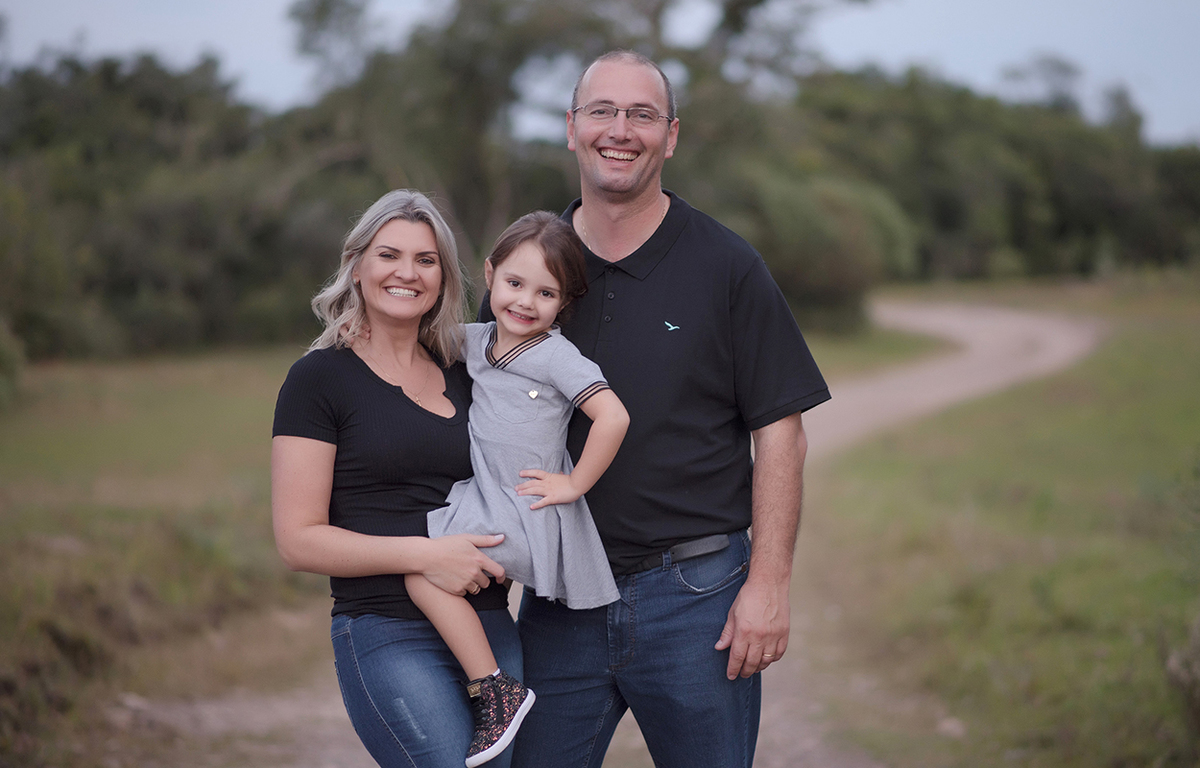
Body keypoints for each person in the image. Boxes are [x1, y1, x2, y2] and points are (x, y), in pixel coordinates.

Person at [495, 51, 832, 767]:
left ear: (670, 136)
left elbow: (782, 436)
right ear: (571, 128)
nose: (621, 130)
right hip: (558, 600)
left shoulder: (727, 265)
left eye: (642, 115)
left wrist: (768, 585)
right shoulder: (532, 273)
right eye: (602, 112)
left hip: (697, 596)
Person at [271, 189, 522, 768]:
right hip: (386, 629)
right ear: (357, 267)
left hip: (486, 625)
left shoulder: (465, 372)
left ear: (443, 277)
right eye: (389, 255)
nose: (407, 273)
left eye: (426, 260)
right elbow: (298, 539)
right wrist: (427, 556)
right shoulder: (318, 379)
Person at [406, 211, 628, 767]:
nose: (526, 301)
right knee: (430, 565)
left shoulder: (556, 355)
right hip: (486, 502)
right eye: (514, 283)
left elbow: (614, 417)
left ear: (564, 302)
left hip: (523, 513)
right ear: (490, 274)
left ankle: (496, 691)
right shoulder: (474, 342)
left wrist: (574, 482)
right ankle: (480, 683)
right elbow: (413, 337)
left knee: (422, 571)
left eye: (546, 292)